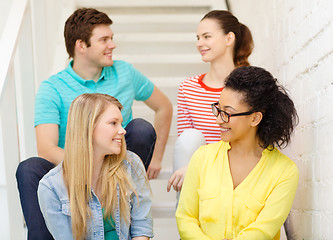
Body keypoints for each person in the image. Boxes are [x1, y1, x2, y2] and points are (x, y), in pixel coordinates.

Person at [16, 8, 172, 240]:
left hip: (118, 163)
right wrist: (87, 166)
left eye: (112, 38)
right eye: (104, 40)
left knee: (140, 127)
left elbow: (164, 107)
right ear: (81, 45)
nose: (112, 45)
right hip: (71, 168)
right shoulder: (53, 88)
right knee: (29, 168)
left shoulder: (125, 73)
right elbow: (47, 148)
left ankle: (125, 201)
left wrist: (157, 158)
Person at [175, 66, 299, 240]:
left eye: (227, 113)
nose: (218, 119)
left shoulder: (285, 171)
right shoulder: (202, 157)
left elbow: (264, 230)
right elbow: (185, 218)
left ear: (255, 118)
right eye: (218, 109)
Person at [38, 93, 153, 239]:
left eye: (121, 123)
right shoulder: (51, 187)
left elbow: (142, 229)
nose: (123, 130)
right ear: (88, 126)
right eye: (113, 123)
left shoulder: (132, 164)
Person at [167, 10, 253, 192]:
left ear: (229, 38)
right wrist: (197, 168)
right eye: (198, 38)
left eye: (207, 37)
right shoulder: (188, 88)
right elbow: (186, 144)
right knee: (190, 138)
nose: (200, 44)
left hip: (236, 168)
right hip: (197, 174)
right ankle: (186, 214)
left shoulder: (249, 85)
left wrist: (207, 165)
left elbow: (249, 142)